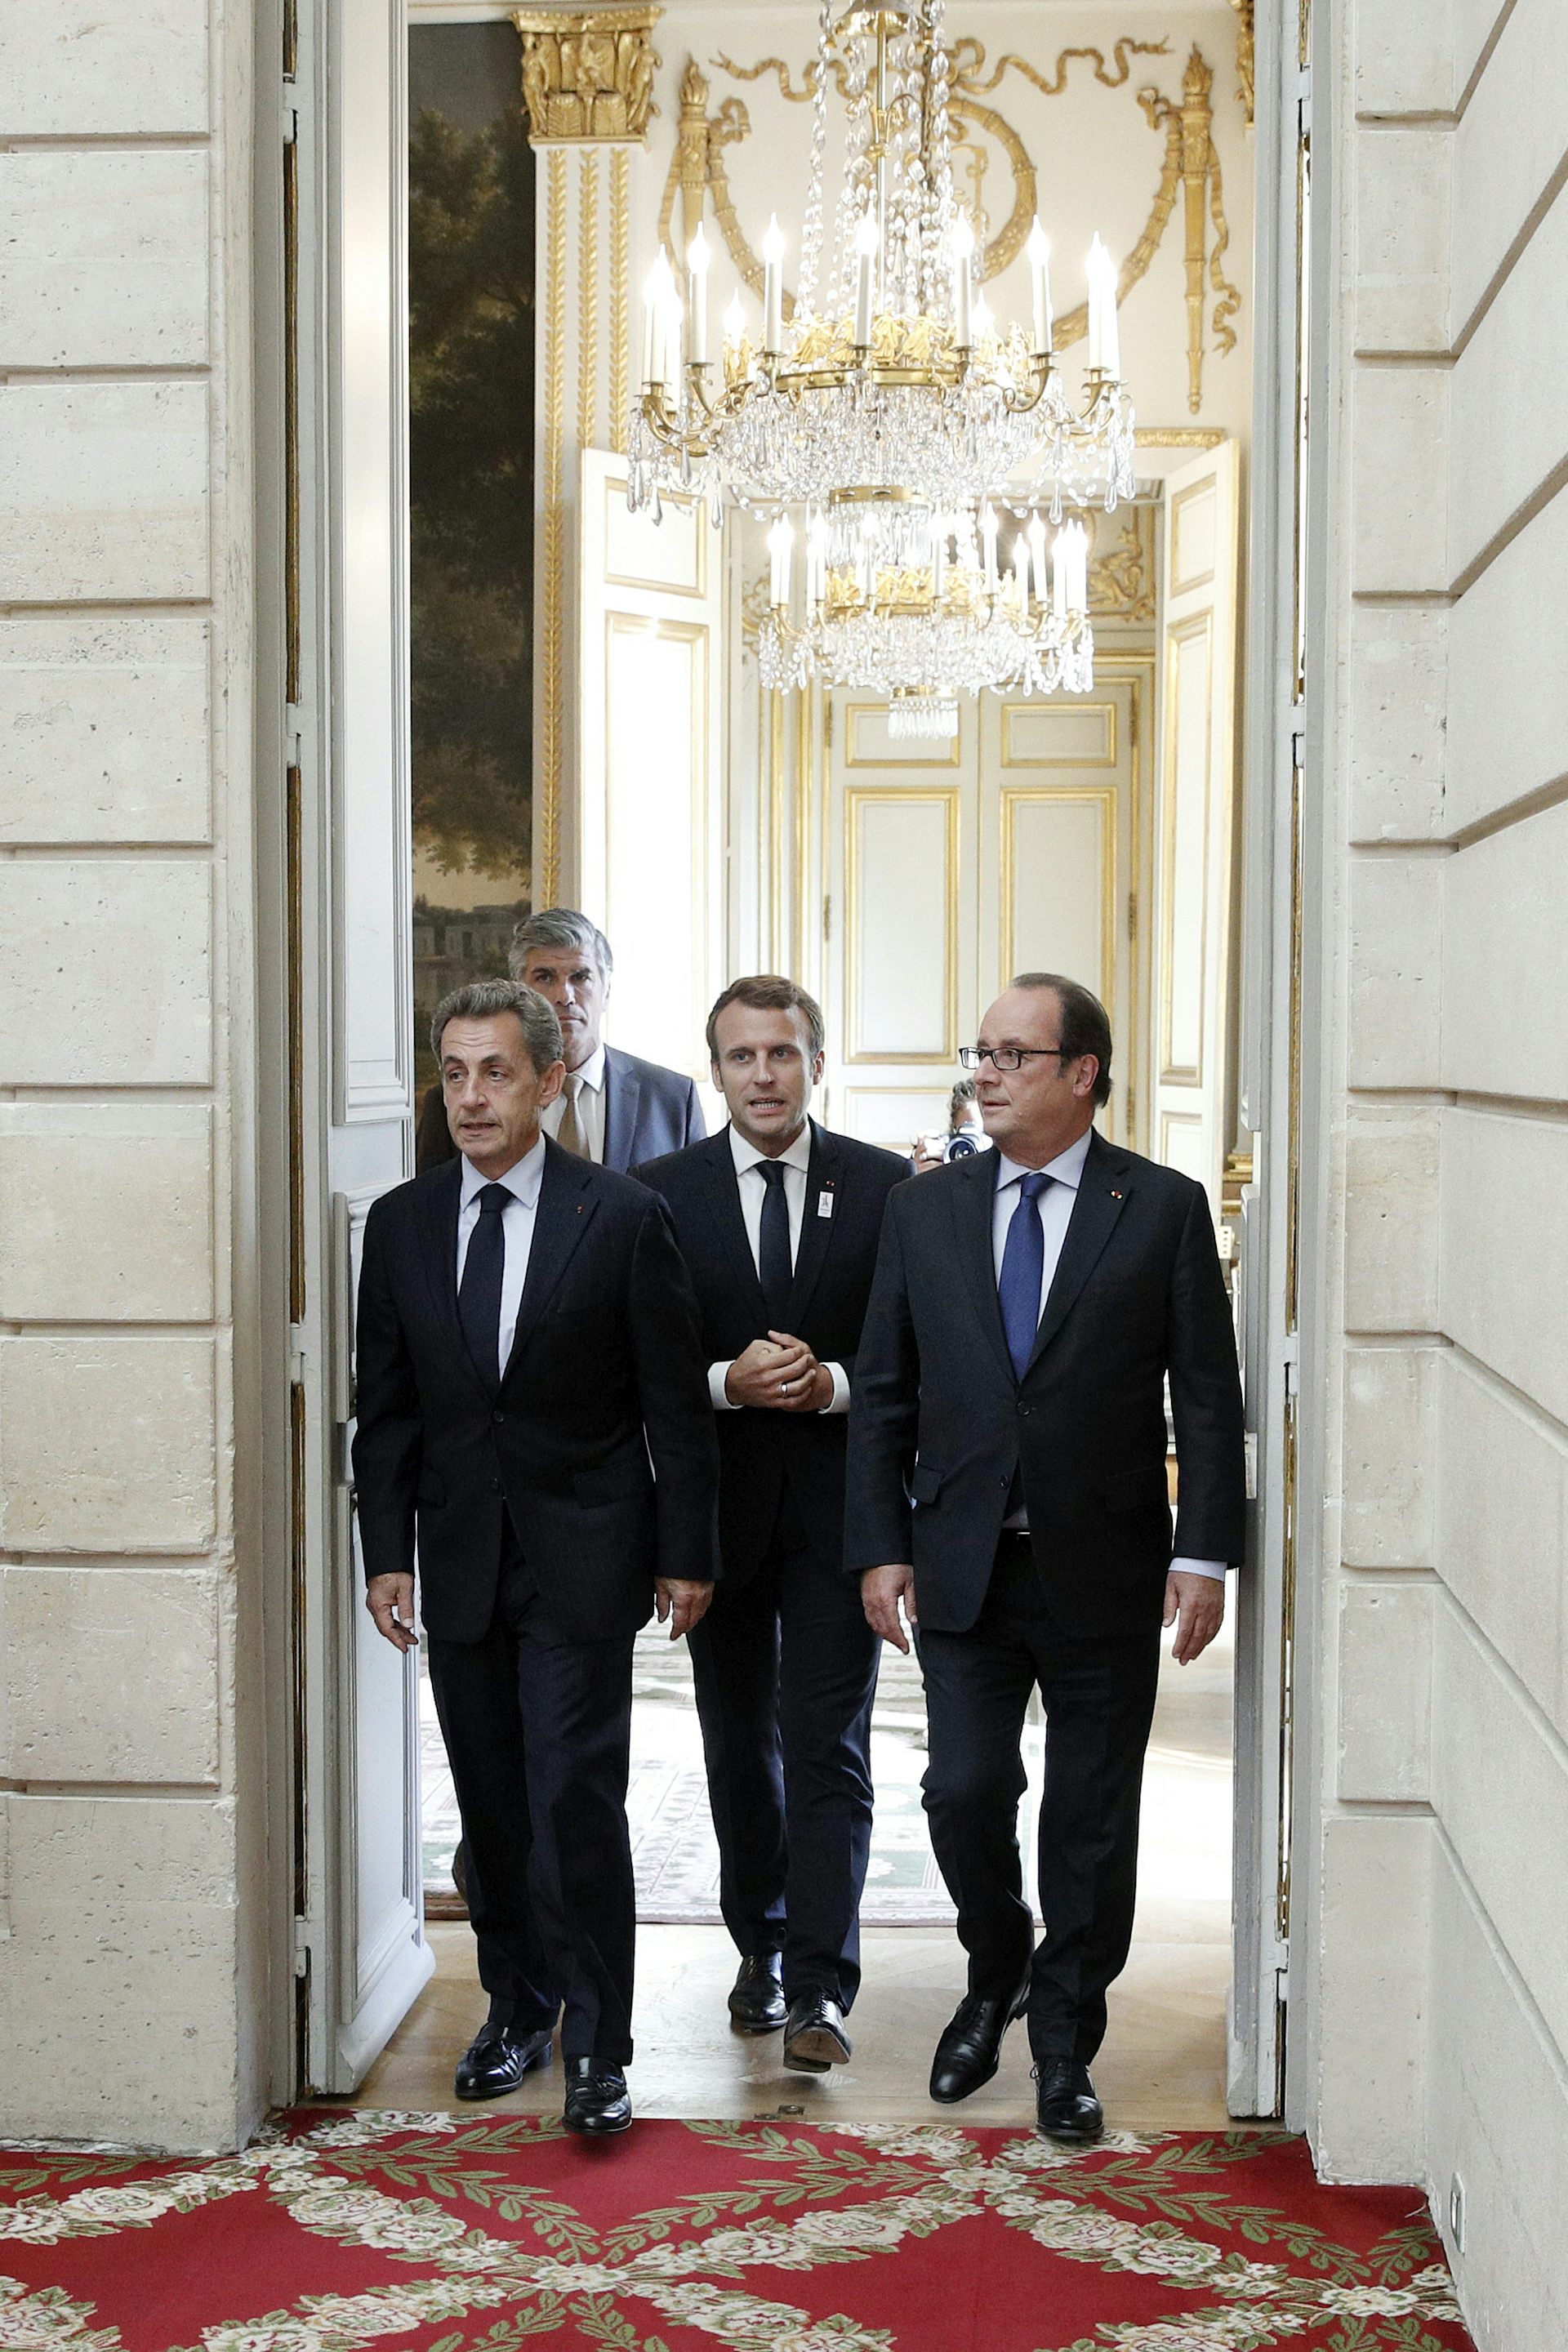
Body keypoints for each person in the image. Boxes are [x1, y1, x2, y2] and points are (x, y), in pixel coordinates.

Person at [844, 972, 1245, 2143]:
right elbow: (882, 1394)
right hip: (964, 1563)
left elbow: (1207, 1402)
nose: (988, 1073)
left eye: (1014, 1054)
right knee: (964, 1789)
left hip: (1106, 1568)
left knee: (1090, 1818)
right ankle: (994, 1968)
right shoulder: (925, 1212)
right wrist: (880, 1545)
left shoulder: (1159, 1207)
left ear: (1083, 1072)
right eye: (981, 1052)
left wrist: (1205, 1554)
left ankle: (1066, 2041)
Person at [353, 979, 719, 2136]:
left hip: (583, 1555)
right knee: (491, 1805)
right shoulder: (402, 1224)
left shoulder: (619, 1216)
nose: (470, 1096)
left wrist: (686, 1551)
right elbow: (391, 1409)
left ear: (550, 1081)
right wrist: (386, 1551)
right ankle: (515, 2007)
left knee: (572, 1797)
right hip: (458, 1558)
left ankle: (601, 2046)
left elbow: (676, 1405)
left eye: (495, 1071)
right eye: (454, 1072)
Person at [636, 978, 908, 2073]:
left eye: (783, 1055)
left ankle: (820, 1985)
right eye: (743, 1056)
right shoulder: (661, 1194)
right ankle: (761, 1949)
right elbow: (645, 1371)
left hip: (845, 1516)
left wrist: (831, 1383)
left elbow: (911, 1356)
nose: (763, 1075)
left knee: (829, 1744)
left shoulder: (888, 1189)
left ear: (816, 1062)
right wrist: (724, 1381)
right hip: (719, 1524)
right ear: (716, 1071)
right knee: (739, 1748)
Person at [512, 907, 706, 1167]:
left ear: (606, 992)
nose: (565, 996)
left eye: (581, 977)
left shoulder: (672, 1098)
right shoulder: (482, 1096)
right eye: (545, 977)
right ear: (519, 992)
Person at [911, 1076, 989, 1174]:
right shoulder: (947, 1164)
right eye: (967, 1137)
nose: (974, 1147)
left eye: (986, 1134)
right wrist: (921, 1180)